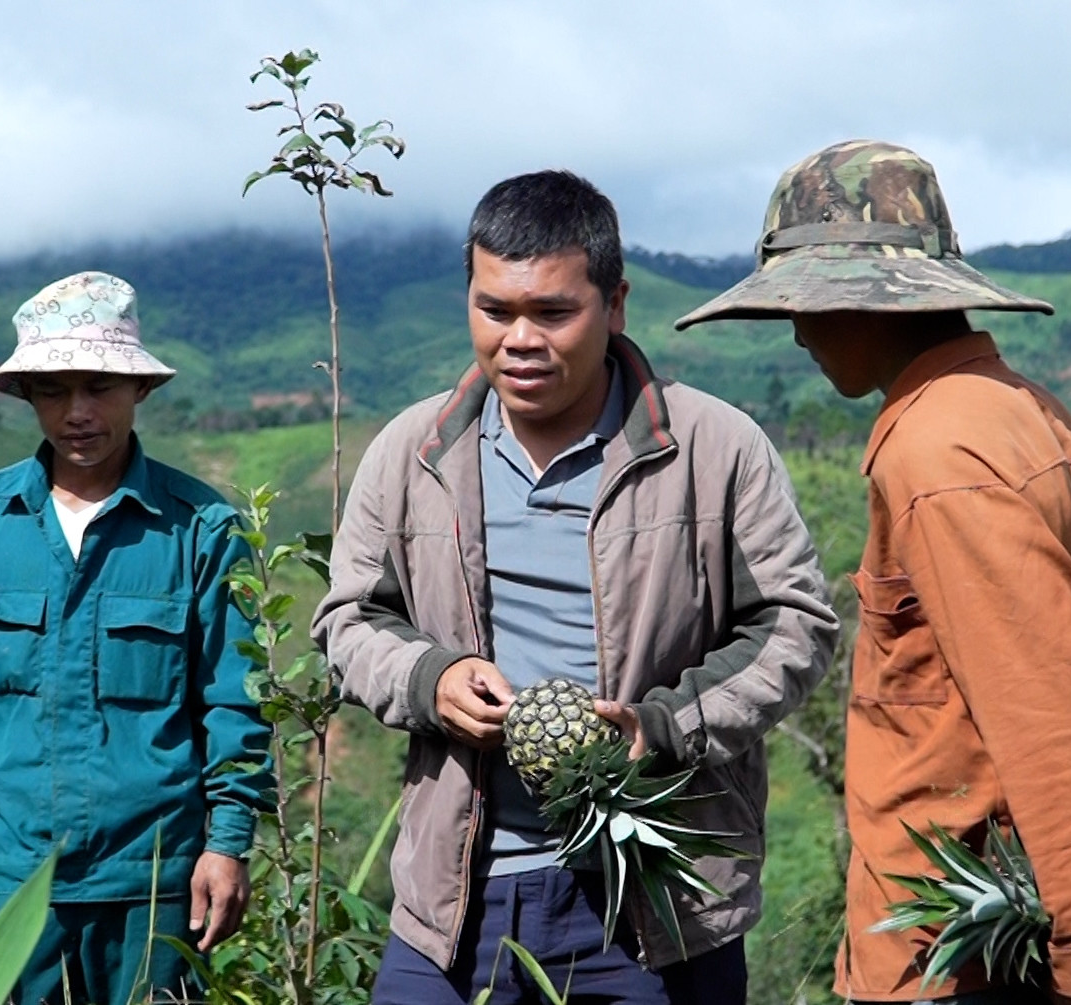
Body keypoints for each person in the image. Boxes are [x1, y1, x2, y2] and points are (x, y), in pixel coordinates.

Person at [313, 170, 838, 1005]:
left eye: (553, 312)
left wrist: (664, 725)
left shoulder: (713, 448)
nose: (520, 338)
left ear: (615, 303)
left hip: (659, 904)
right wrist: (431, 678)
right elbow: (349, 619)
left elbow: (797, 624)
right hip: (456, 899)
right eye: (495, 309)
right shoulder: (415, 453)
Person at [676, 141, 1071, 1005]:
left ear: (866, 302)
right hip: (1009, 931)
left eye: (807, 306)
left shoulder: (937, 451)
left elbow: (1056, 711)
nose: (796, 331)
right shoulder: (1030, 415)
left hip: (961, 959)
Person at [0, 271, 271, 1005]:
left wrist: (227, 842)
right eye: (53, 391)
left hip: (152, 883)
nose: (77, 412)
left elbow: (234, 702)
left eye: (99, 386)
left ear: (140, 391)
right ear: (27, 395)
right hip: (7, 879)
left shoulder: (200, 528)